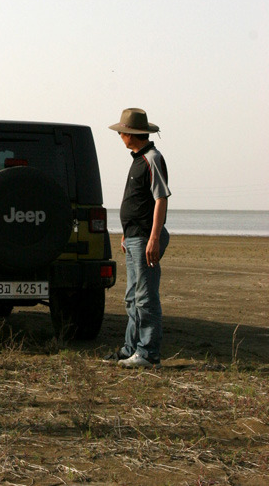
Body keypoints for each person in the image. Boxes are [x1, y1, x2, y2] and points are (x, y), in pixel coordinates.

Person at [106, 108, 171, 368]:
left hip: (145, 238)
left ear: (131, 134)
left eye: (122, 131)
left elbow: (160, 199)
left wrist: (153, 238)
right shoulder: (137, 158)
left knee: (145, 297)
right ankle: (130, 349)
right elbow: (136, 201)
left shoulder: (152, 158)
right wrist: (125, 232)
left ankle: (148, 353)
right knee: (132, 297)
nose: (120, 135)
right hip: (134, 237)